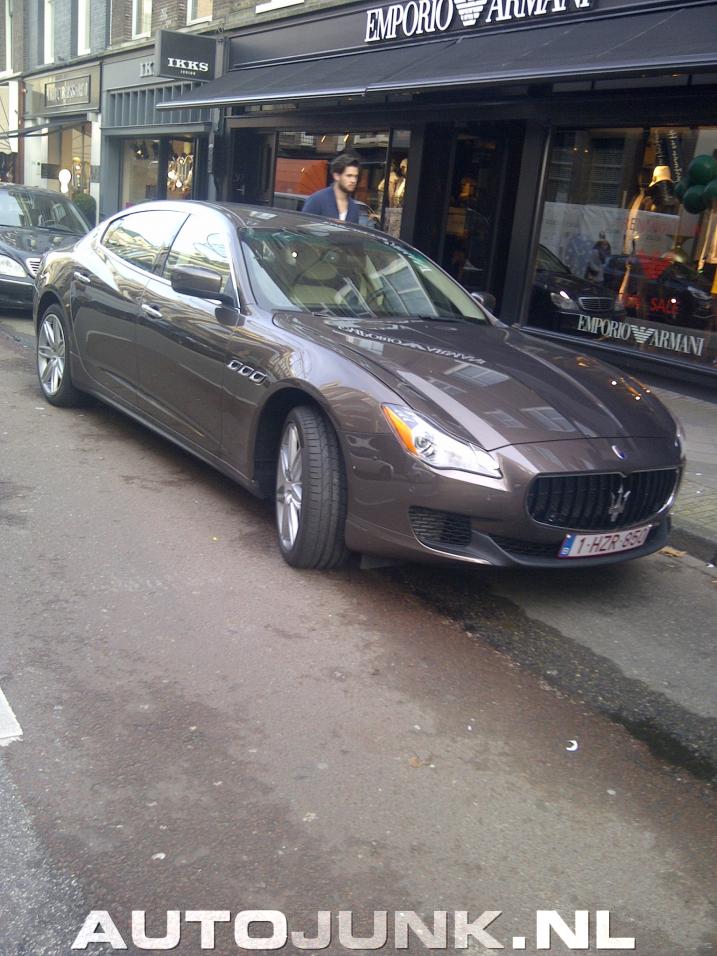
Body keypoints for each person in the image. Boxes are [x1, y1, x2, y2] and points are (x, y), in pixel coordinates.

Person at [302, 154, 361, 223]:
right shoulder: (317, 200)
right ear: (336, 176)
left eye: (355, 176)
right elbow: (302, 225)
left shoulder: (354, 208)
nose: (353, 180)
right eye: (349, 176)